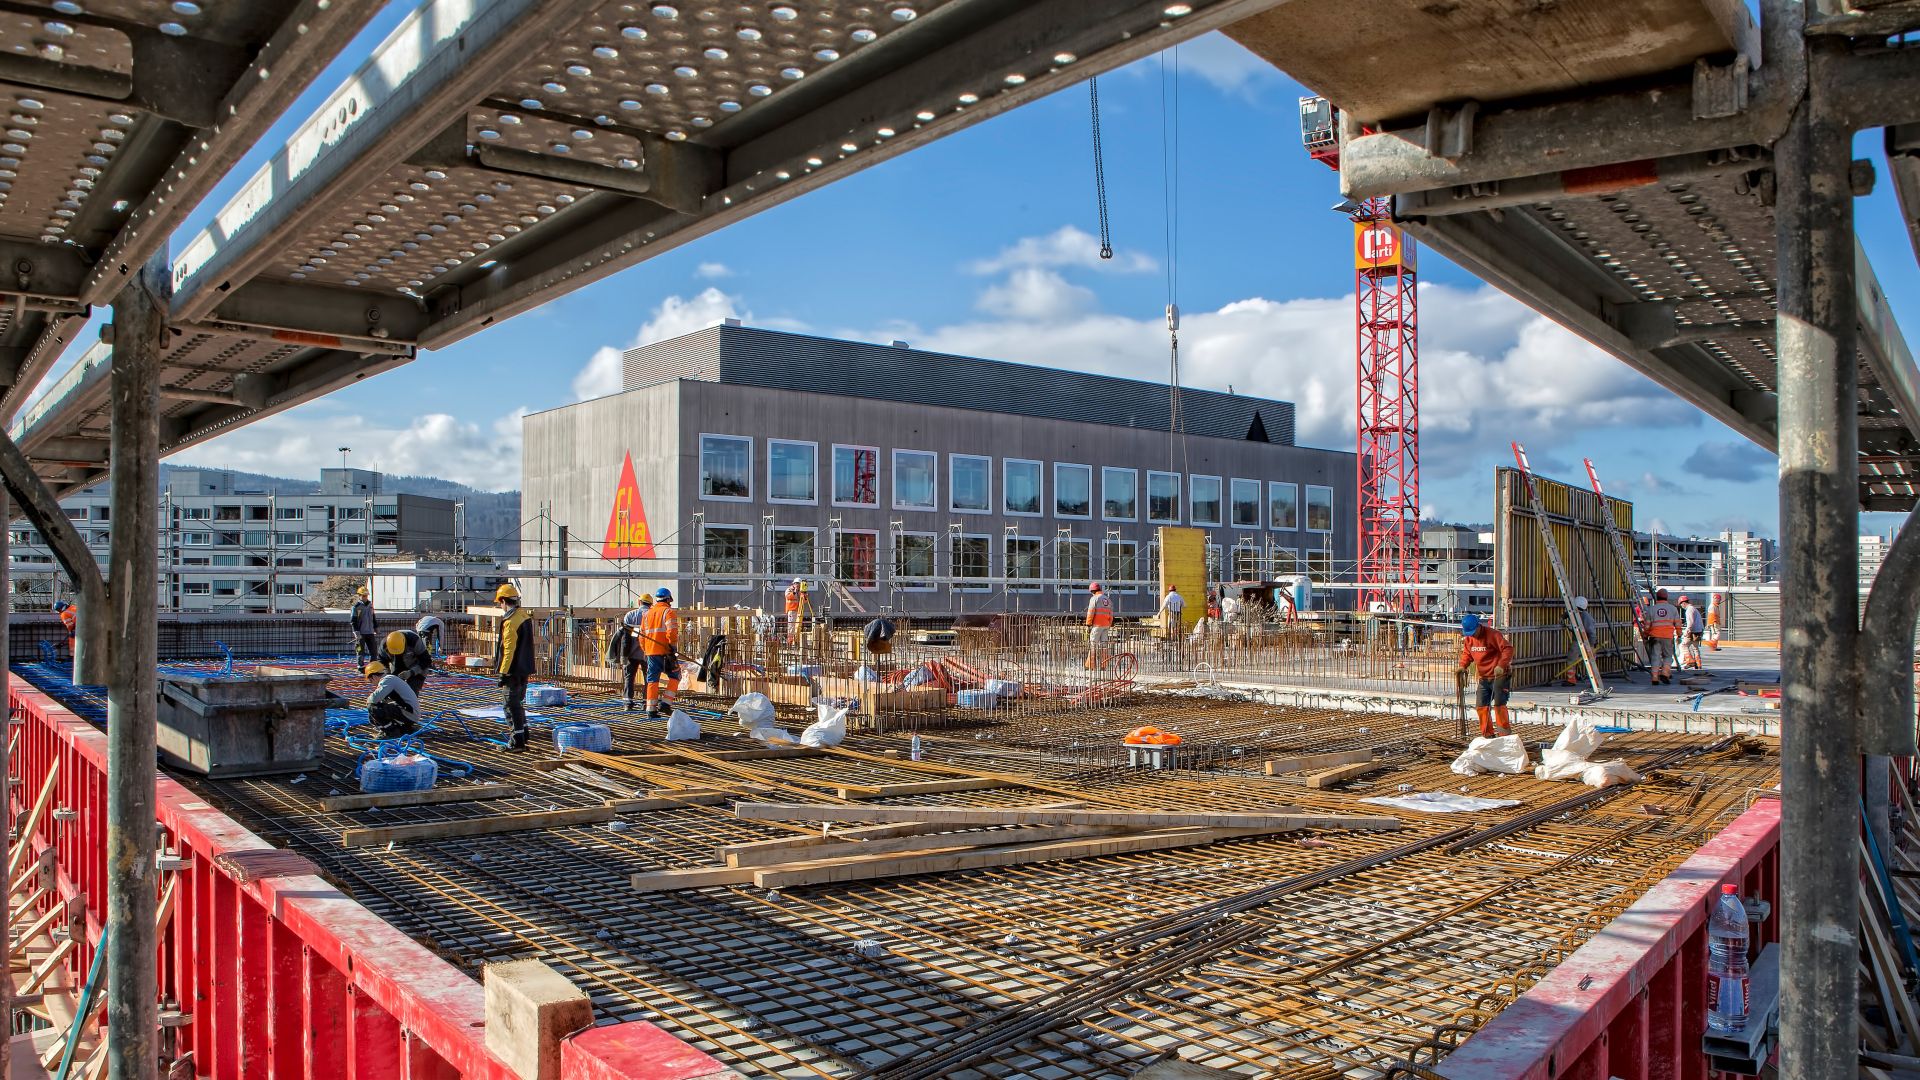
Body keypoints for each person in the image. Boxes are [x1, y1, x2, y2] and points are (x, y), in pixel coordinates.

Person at [1456, 613, 1514, 738]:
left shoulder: (1493, 635)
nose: (1472, 635)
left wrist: (1501, 665)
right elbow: (1467, 654)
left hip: (1499, 676)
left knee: (1499, 705)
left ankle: (1504, 736)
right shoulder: (1469, 639)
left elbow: (1508, 649)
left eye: (1473, 632)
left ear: (1478, 626)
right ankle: (1488, 735)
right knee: (1481, 706)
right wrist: (1462, 666)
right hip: (1484, 677)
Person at [493, 582, 534, 750]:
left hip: (513, 670)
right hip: (524, 668)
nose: (500, 606)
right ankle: (523, 734)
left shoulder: (510, 621)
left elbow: (509, 649)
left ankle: (517, 741)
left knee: (510, 704)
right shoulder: (523, 615)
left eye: (500, 603)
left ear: (503, 600)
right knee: (517, 703)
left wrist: (503, 672)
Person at [637, 587, 680, 718]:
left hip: (651, 652)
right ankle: (666, 704)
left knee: (652, 679)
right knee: (676, 675)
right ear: (668, 599)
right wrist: (672, 646)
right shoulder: (668, 612)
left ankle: (651, 709)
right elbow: (672, 632)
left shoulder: (646, 614)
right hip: (665, 652)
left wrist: (646, 649)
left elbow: (642, 636)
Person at [605, 603, 650, 711]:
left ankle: (627, 704)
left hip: (631, 654)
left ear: (639, 603)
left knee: (629, 678)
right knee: (649, 679)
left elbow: (625, 638)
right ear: (650, 603)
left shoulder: (630, 615)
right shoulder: (652, 615)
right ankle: (646, 704)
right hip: (647, 653)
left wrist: (622, 656)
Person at [363, 661, 420, 739]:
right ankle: (405, 729)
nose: (372, 684)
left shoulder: (387, 680)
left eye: (370, 681)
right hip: (411, 713)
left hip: (410, 713)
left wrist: (369, 701)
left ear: (373, 677)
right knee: (373, 716)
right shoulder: (391, 678)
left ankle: (390, 732)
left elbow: (373, 699)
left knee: (373, 708)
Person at [1641, 587, 1682, 684]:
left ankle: (1655, 678)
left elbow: (1647, 625)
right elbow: (1678, 623)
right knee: (1667, 656)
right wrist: (1679, 634)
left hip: (1655, 637)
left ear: (1657, 597)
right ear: (1666, 597)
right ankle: (1664, 673)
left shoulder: (1652, 609)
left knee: (1655, 657)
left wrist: (1645, 635)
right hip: (1668, 637)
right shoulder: (1673, 609)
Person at [379, 628, 434, 696]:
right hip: (396, 664)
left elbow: (426, 660)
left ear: (404, 643)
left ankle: (410, 703)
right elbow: (381, 662)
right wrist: (387, 674)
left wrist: (411, 672)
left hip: (416, 666)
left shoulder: (414, 640)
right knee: (392, 690)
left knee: (411, 693)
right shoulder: (384, 645)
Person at [1563, 596, 1598, 686]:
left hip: (1586, 641)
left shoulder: (1585, 617)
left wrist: (1591, 643)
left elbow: (1590, 631)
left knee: (1588, 661)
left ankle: (1573, 679)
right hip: (1581, 640)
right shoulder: (1578, 614)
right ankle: (1572, 679)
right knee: (1575, 660)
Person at [1084, 582, 1113, 669]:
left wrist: (1088, 624)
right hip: (1106, 625)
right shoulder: (1107, 599)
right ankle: (1104, 665)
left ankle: (1091, 665)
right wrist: (1109, 624)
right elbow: (1111, 614)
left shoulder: (1094, 598)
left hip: (1097, 625)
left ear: (1092, 591)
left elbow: (1091, 612)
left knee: (1093, 644)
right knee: (1104, 646)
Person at [349, 585, 378, 665]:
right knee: (360, 650)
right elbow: (353, 620)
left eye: (366, 595)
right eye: (364, 596)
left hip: (370, 632)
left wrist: (375, 628)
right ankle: (360, 666)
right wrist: (356, 632)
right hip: (361, 633)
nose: (365, 597)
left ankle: (373, 665)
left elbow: (373, 617)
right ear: (360, 596)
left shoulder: (370, 606)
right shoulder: (356, 607)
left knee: (373, 651)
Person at [1677, 594, 1706, 671]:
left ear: (1683, 603)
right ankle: (1698, 665)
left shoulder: (1689, 610)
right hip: (1698, 631)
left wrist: (1687, 631)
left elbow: (1691, 622)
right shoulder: (1694, 609)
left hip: (1692, 632)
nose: (1681, 607)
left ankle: (1690, 661)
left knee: (1683, 646)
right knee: (1695, 648)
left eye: (1681, 605)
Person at [1159, 584, 1186, 663]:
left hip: (1171, 614)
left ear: (1169, 590)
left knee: (1171, 628)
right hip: (1178, 615)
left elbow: (1163, 606)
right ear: (1175, 590)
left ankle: (1172, 639)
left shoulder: (1168, 597)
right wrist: (1179, 605)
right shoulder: (1179, 596)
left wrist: (1158, 613)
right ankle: (1177, 639)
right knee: (1177, 628)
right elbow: (1184, 605)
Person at [783, 578, 810, 643]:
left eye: (799, 584)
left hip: (799, 611)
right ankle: (790, 642)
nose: (798, 585)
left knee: (798, 626)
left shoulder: (800, 591)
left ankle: (796, 640)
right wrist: (794, 592)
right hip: (792, 611)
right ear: (794, 584)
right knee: (791, 627)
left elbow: (805, 601)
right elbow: (788, 597)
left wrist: (805, 594)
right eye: (797, 584)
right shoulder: (789, 590)